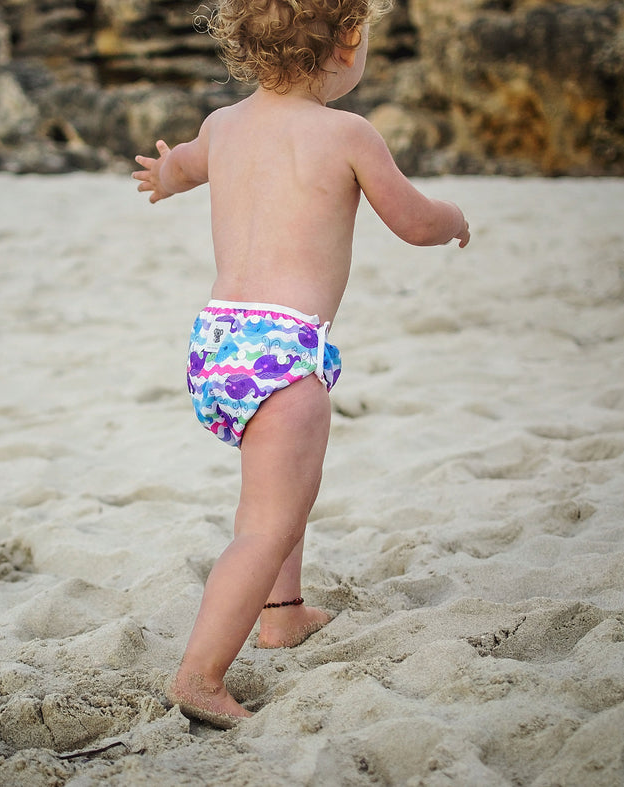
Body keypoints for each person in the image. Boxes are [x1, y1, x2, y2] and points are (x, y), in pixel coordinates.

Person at [132, 0, 470, 729]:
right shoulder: (348, 133)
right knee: (263, 522)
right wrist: (453, 220)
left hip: (218, 343)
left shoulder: (224, 127)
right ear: (348, 42)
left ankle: (282, 612)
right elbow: (412, 221)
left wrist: (163, 175)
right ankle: (199, 674)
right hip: (284, 351)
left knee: (285, 489)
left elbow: (185, 167)